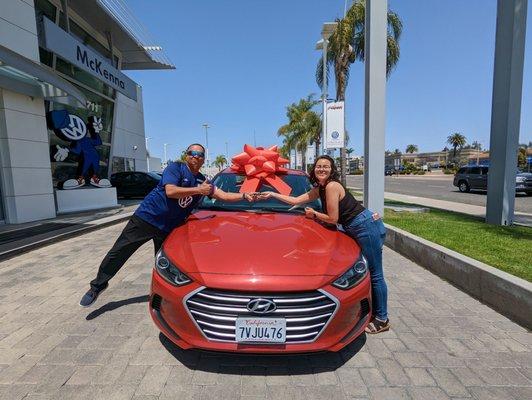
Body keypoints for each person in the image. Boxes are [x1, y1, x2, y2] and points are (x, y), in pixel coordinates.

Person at [80, 143, 255, 307]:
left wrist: (244, 196)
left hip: (169, 228)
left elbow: (223, 195)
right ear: (187, 156)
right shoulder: (176, 168)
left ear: (203, 158)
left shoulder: (202, 180)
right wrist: (198, 190)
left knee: (167, 264)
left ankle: (164, 296)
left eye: (200, 155)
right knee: (119, 252)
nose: (196, 157)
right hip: (146, 219)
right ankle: (97, 287)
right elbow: (171, 191)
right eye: (193, 153)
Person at [258, 155, 390, 334]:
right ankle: (376, 313)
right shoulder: (319, 188)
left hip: (366, 227)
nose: (322, 169)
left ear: (332, 169)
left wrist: (313, 214)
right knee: (370, 272)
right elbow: (296, 200)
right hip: (356, 226)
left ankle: (382, 319)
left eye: (326, 167)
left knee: (375, 274)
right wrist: (272, 194)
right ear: (314, 169)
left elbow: (333, 219)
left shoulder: (331, 186)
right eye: (319, 166)